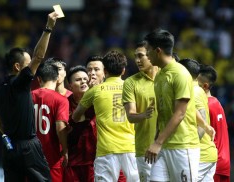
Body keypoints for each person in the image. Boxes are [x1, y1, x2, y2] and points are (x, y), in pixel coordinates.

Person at [0, 12, 58, 181]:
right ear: (17, 66)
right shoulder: (20, 83)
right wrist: (49, 27)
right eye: (27, 64)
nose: (32, 66)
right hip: (28, 146)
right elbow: (39, 56)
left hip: (9, 147)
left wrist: (10, 136)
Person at [72, 50, 139, 182]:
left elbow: (75, 116)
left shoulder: (94, 91)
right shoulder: (133, 87)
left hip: (106, 150)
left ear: (105, 70)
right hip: (131, 148)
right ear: (123, 70)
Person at [144, 29, 200, 182]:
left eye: (148, 51)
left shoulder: (180, 74)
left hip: (182, 146)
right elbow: (162, 112)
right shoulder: (160, 75)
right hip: (164, 145)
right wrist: (157, 139)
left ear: (158, 51)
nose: (147, 55)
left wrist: (157, 142)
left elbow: (180, 113)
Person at [85, 55, 127, 182]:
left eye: (96, 69)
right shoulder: (80, 96)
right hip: (89, 157)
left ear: (105, 72)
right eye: (89, 70)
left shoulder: (123, 90)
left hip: (116, 151)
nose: (92, 73)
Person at [122, 41, 158, 181]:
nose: (137, 60)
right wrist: (144, 115)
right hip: (144, 149)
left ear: (151, 55)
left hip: (168, 147)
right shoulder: (131, 82)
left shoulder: (166, 77)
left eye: (141, 56)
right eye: (135, 56)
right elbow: (131, 116)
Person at [179, 58, 217, 182]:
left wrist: (190, 147)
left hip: (201, 155)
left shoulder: (193, 91)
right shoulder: (198, 89)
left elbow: (202, 122)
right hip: (207, 153)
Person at [32, 62, 69, 182]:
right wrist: (65, 149)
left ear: (39, 79)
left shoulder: (28, 96)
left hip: (30, 156)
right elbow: (60, 127)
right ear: (57, 78)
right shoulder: (61, 100)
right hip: (52, 158)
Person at [63, 65, 96, 182]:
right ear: (70, 86)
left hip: (94, 161)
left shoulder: (97, 101)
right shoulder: (64, 104)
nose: (83, 81)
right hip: (73, 162)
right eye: (78, 80)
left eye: (85, 79)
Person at [198, 65, 230, 182]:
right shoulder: (216, 102)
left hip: (212, 162)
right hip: (223, 160)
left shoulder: (205, 105)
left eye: (196, 83)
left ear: (205, 86)